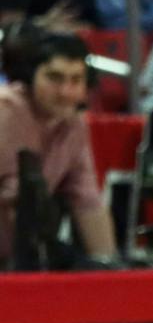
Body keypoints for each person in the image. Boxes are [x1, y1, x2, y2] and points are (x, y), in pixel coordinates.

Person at [0, 26, 117, 266]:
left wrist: (109, 269)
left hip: (25, 253)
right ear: (29, 76)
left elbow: (87, 203)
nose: (65, 92)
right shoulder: (6, 111)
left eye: (76, 80)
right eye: (54, 78)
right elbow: (14, 205)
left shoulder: (74, 124)